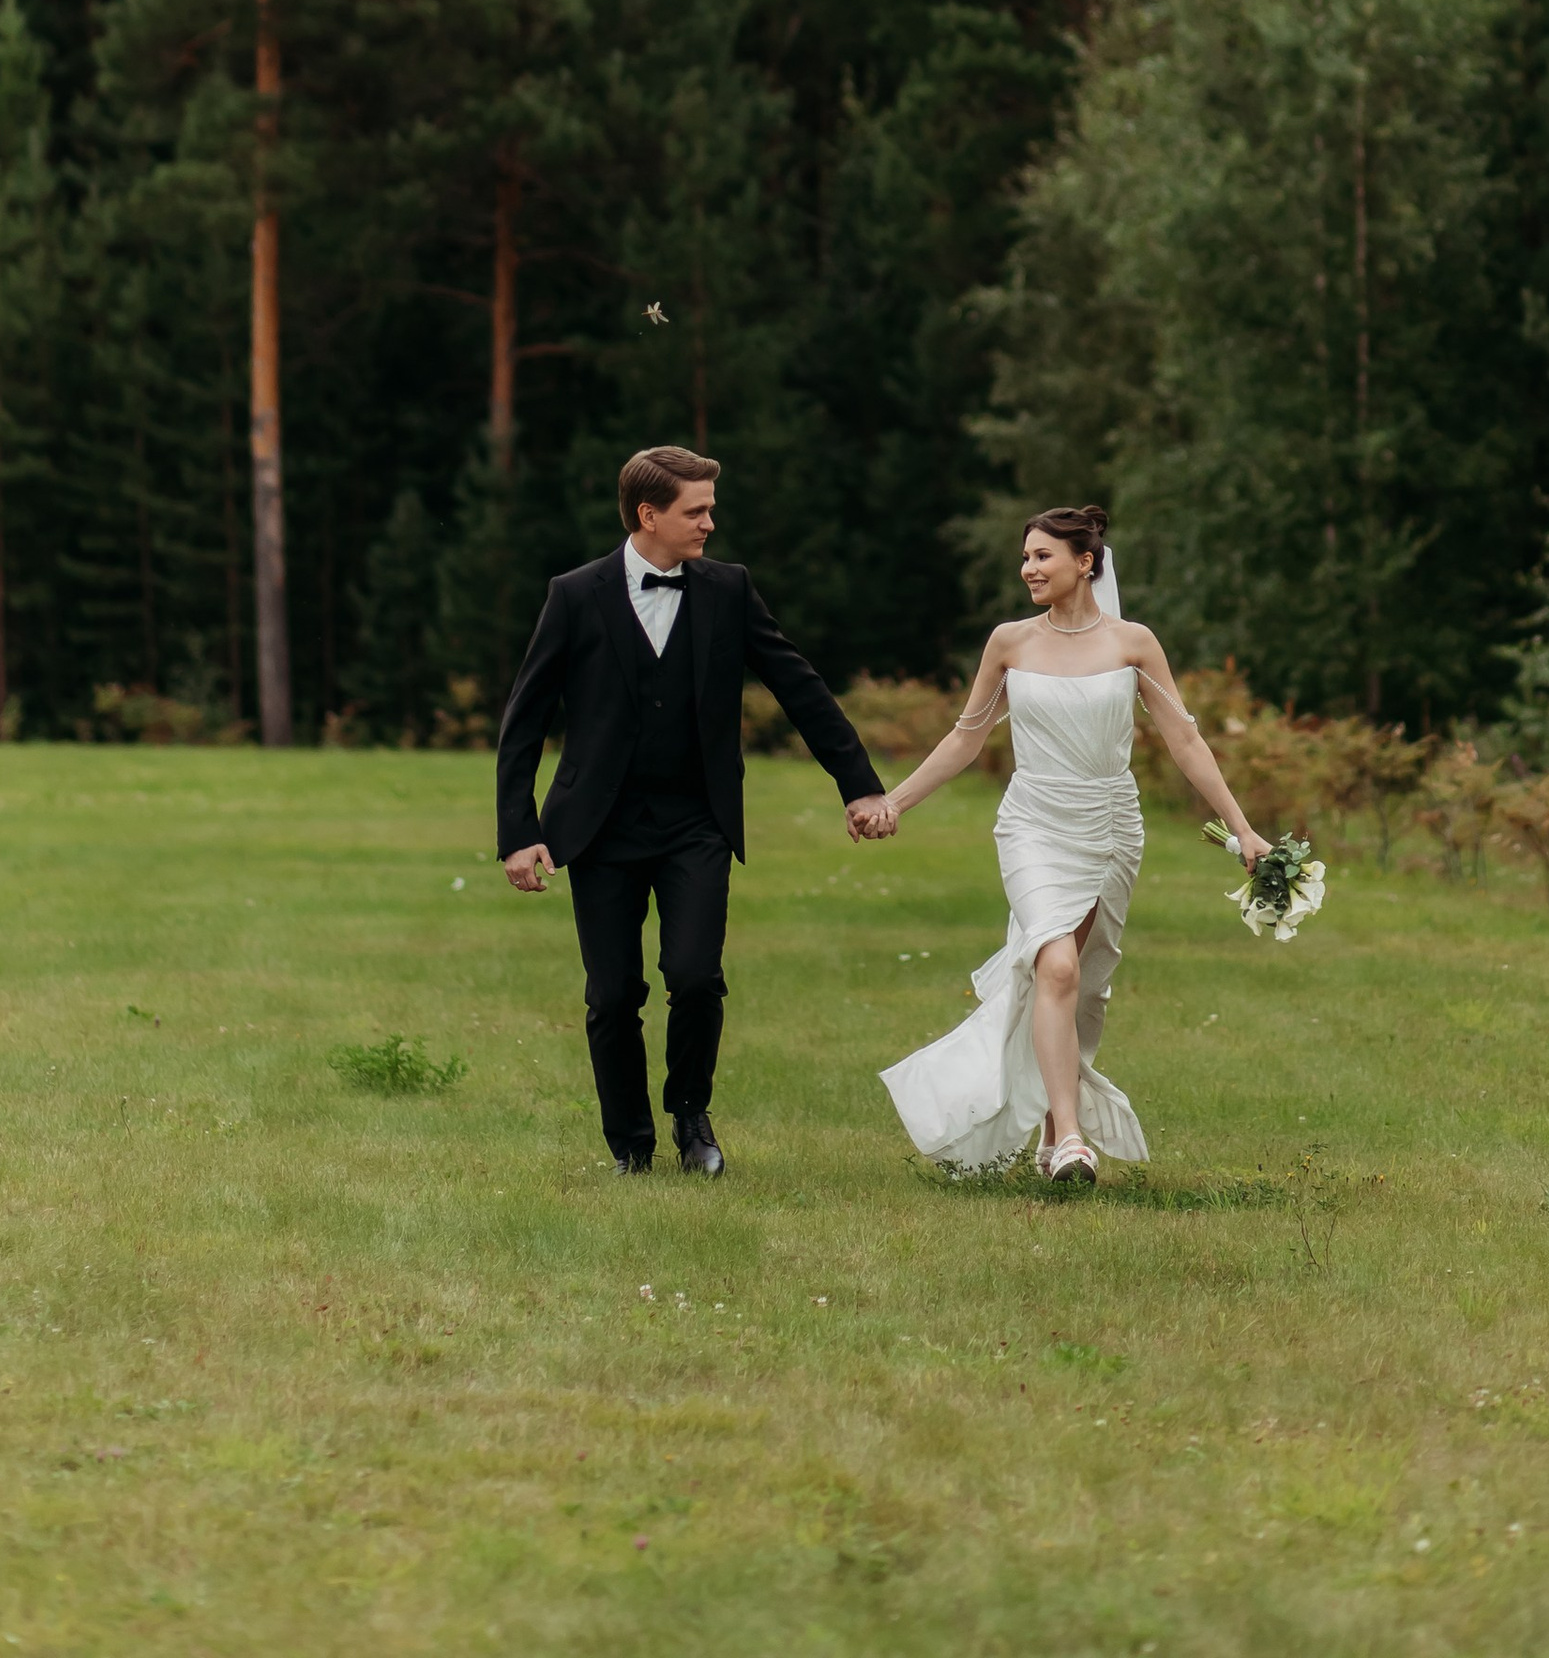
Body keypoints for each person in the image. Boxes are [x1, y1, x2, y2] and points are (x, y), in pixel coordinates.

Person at [495, 443, 885, 1174]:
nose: (710, 522)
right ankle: (630, 1144)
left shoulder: (729, 589)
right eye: (696, 510)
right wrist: (518, 832)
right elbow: (524, 721)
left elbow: (798, 685)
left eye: (710, 508)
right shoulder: (574, 594)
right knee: (614, 994)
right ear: (649, 514)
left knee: (696, 975)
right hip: (599, 827)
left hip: (696, 822)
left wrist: (858, 783)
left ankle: (689, 1115)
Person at [860, 504, 1271, 1186]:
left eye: (1042, 556)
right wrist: (893, 801)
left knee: (1083, 983)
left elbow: (1185, 740)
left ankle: (1055, 1132)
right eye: (1025, 557)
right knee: (1054, 966)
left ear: (1085, 562)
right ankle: (1074, 1138)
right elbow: (966, 737)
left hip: (1111, 826)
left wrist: (1242, 827)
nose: (1028, 568)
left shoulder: (1134, 644)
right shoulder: (1009, 643)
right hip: (1034, 823)